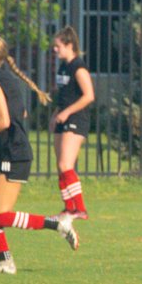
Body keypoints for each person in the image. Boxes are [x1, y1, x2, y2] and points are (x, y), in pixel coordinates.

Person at [0, 35, 79, 275]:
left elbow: (4, 121)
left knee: (1, 215)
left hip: (13, 154)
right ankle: (5, 261)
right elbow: (23, 113)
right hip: (8, 151)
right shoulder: (8, 79)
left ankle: (57, 224)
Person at [48, 25, 95, 220]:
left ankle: (80, 209)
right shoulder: (63, 67)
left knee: (66, 164)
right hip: (63, 116)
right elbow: (64, 95)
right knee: (61, 166)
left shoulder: (79, 67)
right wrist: (56, 114)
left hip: (75, 119)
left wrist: (66, 113)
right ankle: (68, 208)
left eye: (58, 46)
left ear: (69, 45)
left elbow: (88, 96)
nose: (54, 50)